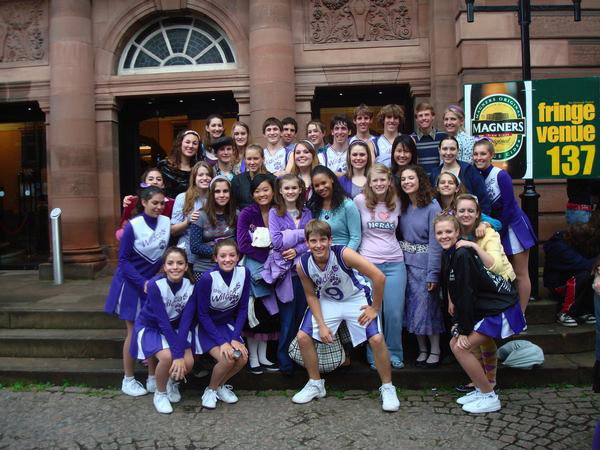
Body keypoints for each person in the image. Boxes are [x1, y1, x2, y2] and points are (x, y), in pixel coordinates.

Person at [291, 220, 400, 412]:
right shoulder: (302, 264)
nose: (318, 245)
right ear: (307, 243)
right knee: (303, 337)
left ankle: (388, 387)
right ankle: (316, 383)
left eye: (323, 240)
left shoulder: (343, 254)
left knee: (376, 338)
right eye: (313, 241)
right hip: (328, 300)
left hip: (355, 297)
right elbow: (310, 294)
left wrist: (375, 308)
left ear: (330, 240)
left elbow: (378, 277)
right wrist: (322, 325)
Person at [435, 214, 524, 413]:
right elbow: (458, 293)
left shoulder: (463, 254)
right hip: (489, 307)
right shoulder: (450, 253)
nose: (444, 236)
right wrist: (460, 325)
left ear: (458, 233)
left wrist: (465, 329)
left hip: (501, 308)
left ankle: (489, 395)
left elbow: (466, 293)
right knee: (455, 343)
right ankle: (480, 388)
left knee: (460, 347)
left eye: (449, 231)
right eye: (439, 233)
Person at [105, 186, 171, 397]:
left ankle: (152, 377)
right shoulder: (133, 226)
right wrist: (142, 282)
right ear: (143, 202)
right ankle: (128, 378)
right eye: (155, 203)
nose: (159, 207)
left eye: (162, 203)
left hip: (152, 284)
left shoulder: (166, 222)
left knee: (152, 329)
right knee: (133, 333)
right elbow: (122, 261)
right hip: (131, 285)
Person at [454, 193, 517, 393]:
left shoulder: (488, 233)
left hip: (498, 292)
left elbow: (496, 266)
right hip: (478, 291)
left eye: (470, 211)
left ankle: (487, 386)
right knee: (484, 340)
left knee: (476, 338)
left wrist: (473, 245)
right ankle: (486, 381)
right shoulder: (455, 232)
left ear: (478, 214)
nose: (466, 214)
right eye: (461, 210)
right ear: (455, 213)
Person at [473, 138, 537, 312]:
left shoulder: (500, 174)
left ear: (492, 155)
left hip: (513, 226)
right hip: (495, 227)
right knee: (502, 272)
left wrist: (498, 232)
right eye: (476, 154)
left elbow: (509, 206)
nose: (479, 157)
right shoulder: (475, 175)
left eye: (483, 154)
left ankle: (522, 315)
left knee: (520, 273)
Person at [131, 247, 196, 414]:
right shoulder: (154, 285)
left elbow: (186, 321)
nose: (175, 267)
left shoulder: (190, 286)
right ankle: (160, 394)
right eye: (170, 263)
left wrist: (181, 354)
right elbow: (162, 321)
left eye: (180, 263)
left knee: (188, 363)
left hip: (175, 327)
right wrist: (177, 354)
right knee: (168, 357)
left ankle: (171, 383)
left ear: (186, 266)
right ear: (165, 267)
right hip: (151, 327)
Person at [355, 164, 406, 370]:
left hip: (395, 263)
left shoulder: (397, 202)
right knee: (372, 312)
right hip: (369, 264)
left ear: (389, 181)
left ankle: (394, 353)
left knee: (394, 313)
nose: (379, 184)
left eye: (382, 179)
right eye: (374, 180)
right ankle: (375, 354)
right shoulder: (359, 201)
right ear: (369, 182)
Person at [264, 174, 312, 374]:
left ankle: (301, 358)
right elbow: (276, 241)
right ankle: (284, 361)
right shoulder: (276, 213)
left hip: (305, 273)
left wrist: (298, 249)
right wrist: (303, 235)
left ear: (300, 190)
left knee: (303, 318)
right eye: (287, 188)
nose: (291, 191)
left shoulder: (307, 212)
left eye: (294, 188)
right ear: (280, 192)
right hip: (286, 275)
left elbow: (314, 239)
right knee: (287, 319)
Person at [193, 240, 250, 409]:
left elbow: (243, 308)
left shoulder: (244, 273)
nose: (228, 259)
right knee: (227, 359)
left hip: (227, 324)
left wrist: (235, 337)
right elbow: (202, 315)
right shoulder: (206, 279)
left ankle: (220, 386)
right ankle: (210, 390)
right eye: (223, 256)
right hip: (206, 326)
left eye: (232, 255)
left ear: (238, 257)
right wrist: (222, 342)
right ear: (215, 258)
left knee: (242, 359)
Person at [398, 165, 443, 368]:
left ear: (420, 180)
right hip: (406, 264)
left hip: (425, 266)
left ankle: (435, 349)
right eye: (403, 179)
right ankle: (422, 349)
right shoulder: (404, 206)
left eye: (411, 178)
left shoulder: (433, 207)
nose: (407, 182)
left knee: (428, 309)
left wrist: (434, 274)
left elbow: (436, 243)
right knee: (413, 308)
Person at [236, 174, 280, 374]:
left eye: (265, 189)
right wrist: (266, 260)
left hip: (277, 270)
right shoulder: (247, 213)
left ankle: (264, 356)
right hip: (254, 269)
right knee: (254, 313)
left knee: (268, 314)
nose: (262, 194)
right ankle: (253, 357)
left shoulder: (278, 211)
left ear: (273, 190)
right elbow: (243, 244)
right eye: (257, 191)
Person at [543, 220, 599, 326]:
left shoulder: (576, 244)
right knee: (584, 276)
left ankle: (584, 310)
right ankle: (565, 313)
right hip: (558, 286)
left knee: (591, 276)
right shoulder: (559, 247)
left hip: (572, 279)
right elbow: (583, 264)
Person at [189, 176, 237, 279]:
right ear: (211, 194)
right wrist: (221, 252)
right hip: (204, 268)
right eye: (217, 191)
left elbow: (239, 240)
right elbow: (195, 247)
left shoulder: (236, 214)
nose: (222, 195)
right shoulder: (200, 215)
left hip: (230, 266)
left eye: (225, 191)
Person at [430, 137, 492, 215]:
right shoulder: (434, 173)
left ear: (458, 151)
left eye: (452, 149)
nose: (448, 153)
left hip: (468, 221)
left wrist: (482, 221)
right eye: (445, 149)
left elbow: (483, 201)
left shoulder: (469, 170)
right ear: (439, 150)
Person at [308, 165, 361, 251]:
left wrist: (344, 258)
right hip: (321, 257)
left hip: (344, 257)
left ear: (331, 179)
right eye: (317, 185)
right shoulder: (314, 206)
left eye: (324, 183)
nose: (321, 188)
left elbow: (356, 238)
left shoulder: (348, 205)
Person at [170, 162, 213, 267]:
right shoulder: (182, 198)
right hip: (186, 254)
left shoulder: (216, 198)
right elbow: (173, 231)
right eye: (200, 175)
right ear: (194, 178)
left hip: (208, 254)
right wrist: (188, 221)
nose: (205, 178)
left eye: (208, 175)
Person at [117, 168, 175, 240]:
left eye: (159, 179)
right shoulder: (131, 201)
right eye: (150, 179)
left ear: (163, 185)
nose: (155, 182)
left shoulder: (172, 203)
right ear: (143, 183)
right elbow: (123, 227)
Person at [231, 144, 276, 210]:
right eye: (249, 159)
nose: (252, 162)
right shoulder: (237, 180)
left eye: (256, 158)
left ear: (263, 159)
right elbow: (233, 205)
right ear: (244, 160)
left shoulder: (272, 180)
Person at [157, 130, 201, 198]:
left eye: (195, 143)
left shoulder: (199, 168)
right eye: (187, 142)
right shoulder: (165, 166)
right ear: (180, 143)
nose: (191, 146)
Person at [410, 102, 447, 177]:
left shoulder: (443, 137)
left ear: (433, 117)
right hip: (419, 184)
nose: (423, 118)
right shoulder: (411, 139)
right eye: (420, 116)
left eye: (426, 115)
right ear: (416, 119)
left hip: (438, 183)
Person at [373, 104, 404, 168]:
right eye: (389, 117)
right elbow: (373, 168)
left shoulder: (408, 139)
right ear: (383, 120)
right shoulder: (373, 143)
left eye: (395, 118)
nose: (392, 121)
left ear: (399, 121)